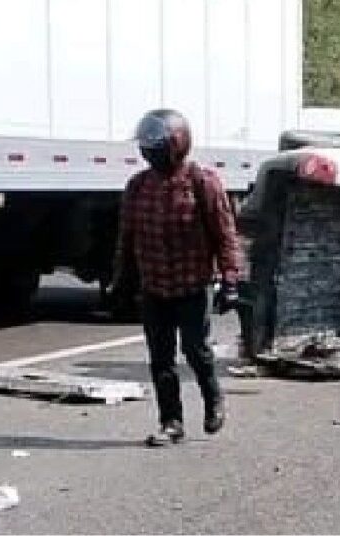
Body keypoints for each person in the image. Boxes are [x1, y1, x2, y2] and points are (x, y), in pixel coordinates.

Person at [111, 109, 243, 446]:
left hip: (192, 285)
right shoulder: (138, 186)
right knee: (161, 359)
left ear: (176, 145)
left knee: (196, 351)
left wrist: (230, 280)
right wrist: (121, 280)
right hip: (154, 287)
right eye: (145, 147)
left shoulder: (202, 182)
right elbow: (127, 238)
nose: (148, 153)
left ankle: (213, 400)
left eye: (154, 146)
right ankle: (171, 422)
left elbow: (225, 235)